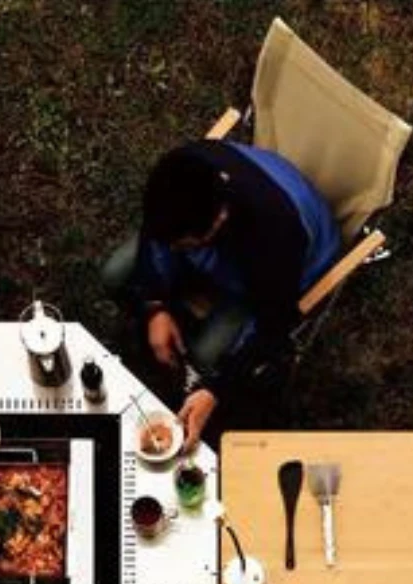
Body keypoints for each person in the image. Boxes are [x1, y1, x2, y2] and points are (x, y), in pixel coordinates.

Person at [125, 140, 340, 448]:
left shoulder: (274, 238)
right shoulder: (178, 170)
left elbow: (273, 325)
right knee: (116, 272)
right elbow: (154, 238)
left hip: (289, 263)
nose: (173, 249)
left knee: (206, 352)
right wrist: (155, 306)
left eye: (183, 245)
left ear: (219, 221)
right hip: (238, 232)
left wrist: (216, 390)